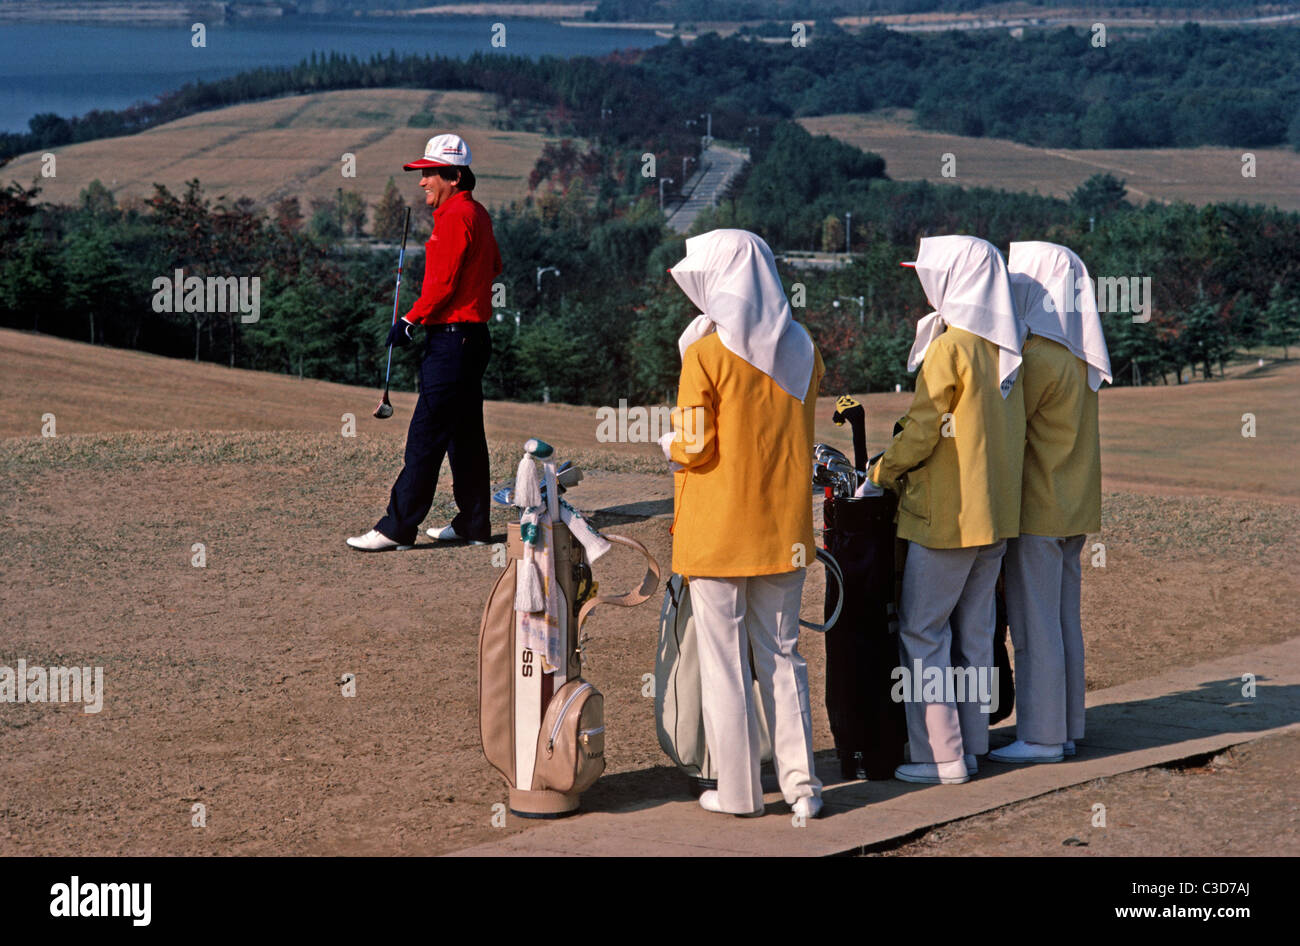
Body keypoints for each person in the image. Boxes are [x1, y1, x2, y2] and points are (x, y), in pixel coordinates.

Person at [658, 229, 825, 819]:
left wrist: (667, 444)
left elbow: (695, 446)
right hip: (785, 530)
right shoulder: (803, 347)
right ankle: (803, 788)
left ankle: (739, 792)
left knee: (725, 664)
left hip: (719, 531)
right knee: (783, 657)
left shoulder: (703, 353)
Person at [866, 235, 1026, 785]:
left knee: (922, 632)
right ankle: (973, 743)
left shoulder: (950, 347)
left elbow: (923, 430)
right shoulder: (1007, 347)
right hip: (997, 517)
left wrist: (881, 472)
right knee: (976, 634)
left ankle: (940, 756)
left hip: (947, 520)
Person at [348, 133, 502, 552]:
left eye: (429, 173)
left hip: (452, 343)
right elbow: (494, 265)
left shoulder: (455, 217)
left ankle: (396, 528)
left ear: (452, 176)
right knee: (465, 435)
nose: (422, 181)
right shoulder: (477, 213)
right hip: (473, 340)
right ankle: (474, 523)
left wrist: (409, 320)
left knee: (425, 436)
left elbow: (444, 285)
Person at [990, 241, 1110, 764]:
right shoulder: (1080, 355)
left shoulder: (1036, 358)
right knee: (1063, 621)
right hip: (1074, 507)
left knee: (1035, 625)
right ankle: (1065, 726)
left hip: (1038, 510)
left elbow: (1002, 426)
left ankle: (1040, 736)